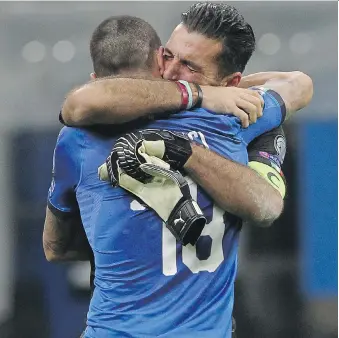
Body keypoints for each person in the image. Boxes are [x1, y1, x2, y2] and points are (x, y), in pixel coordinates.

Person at [43, 7, 312, 338]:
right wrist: (206, 93)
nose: (169, 72)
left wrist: (124, 239)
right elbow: (296, 84)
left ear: (231, 82)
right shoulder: (227, 122)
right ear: (157, 54)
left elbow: (55, 247)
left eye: (189, 67)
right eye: (167, 57)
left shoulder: (80, 138)